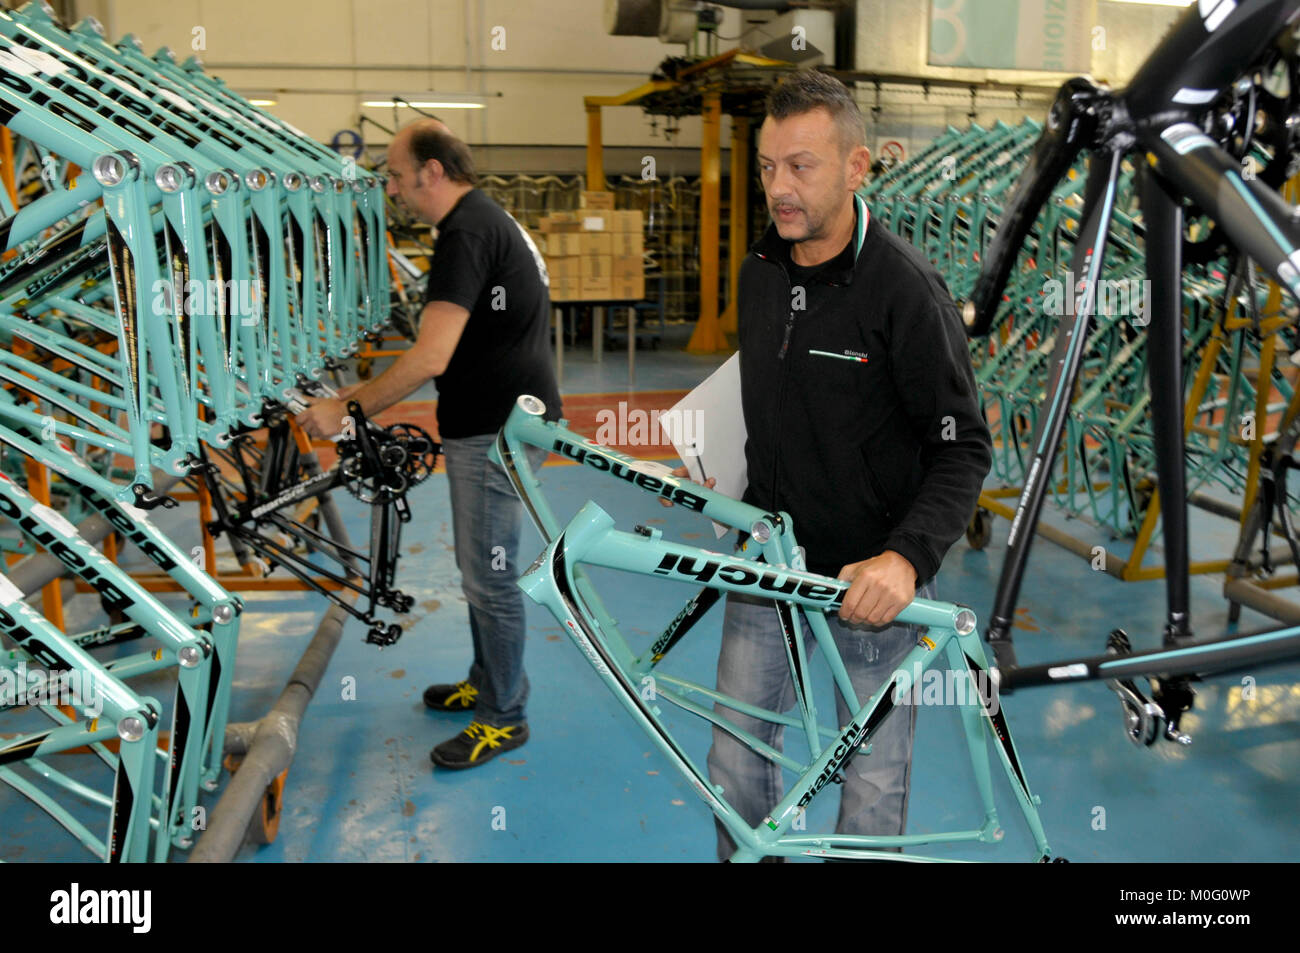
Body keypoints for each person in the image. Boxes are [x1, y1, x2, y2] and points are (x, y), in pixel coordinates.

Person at [704, 71, 992, 860]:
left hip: (871, 586)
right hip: (766, 566)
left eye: (802, 166)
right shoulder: (761, 269)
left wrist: (906, 557)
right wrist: (715, 464)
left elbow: (963, 445)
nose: (779, 188)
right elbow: (770, 394)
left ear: (857, 166)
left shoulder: (904, 292)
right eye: (768, 167)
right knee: (733, 762)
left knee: (869, 786)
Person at [296, 119, 561, 769]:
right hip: (499, 422)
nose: (392, 186)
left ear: (433, 171)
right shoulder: (481, 220)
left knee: (490, 577)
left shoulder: (468, 231)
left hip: (498, 431)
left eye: (394, 172)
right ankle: (487, 681)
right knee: (479, 571)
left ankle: (505, 715)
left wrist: (346, 409)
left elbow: (430, 355)